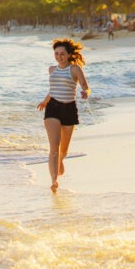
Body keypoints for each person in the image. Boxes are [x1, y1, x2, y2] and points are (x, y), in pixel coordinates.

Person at [36, 38, 90, 193]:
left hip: (69, 109)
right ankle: (54, 180)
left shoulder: (75, 69)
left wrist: (85, 93)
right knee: (54, 147)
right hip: (52, 108)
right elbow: (53, 89)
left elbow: (86, 87)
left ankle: (61, 159)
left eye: (62, 54)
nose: (59, 56)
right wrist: (45, 101)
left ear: (68, 55)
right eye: (56, 53)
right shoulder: (52, 69)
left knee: (63, 150)